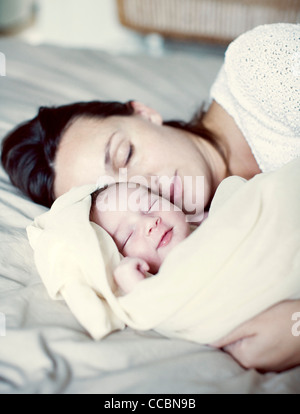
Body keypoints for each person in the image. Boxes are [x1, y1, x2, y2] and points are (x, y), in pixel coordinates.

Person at [1, 23, 299, 371]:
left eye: (125, 155)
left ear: (144, 113)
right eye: (117, 196)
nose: (145, 187)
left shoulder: (262, 70)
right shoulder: (210, 240)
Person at [90, 182, 193, 294]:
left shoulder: (213, 218)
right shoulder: (162, 291)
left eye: (150, 206)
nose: (150, 222)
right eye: (128, 236)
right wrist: (138, 289)